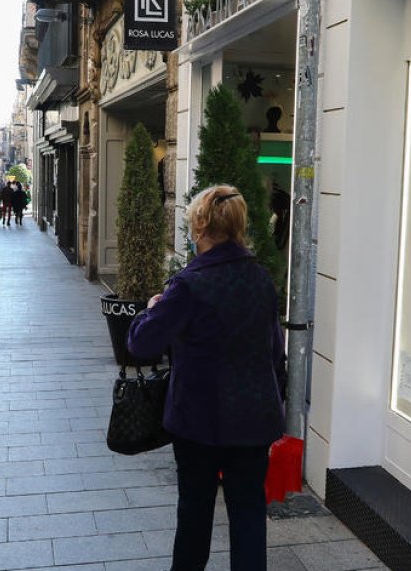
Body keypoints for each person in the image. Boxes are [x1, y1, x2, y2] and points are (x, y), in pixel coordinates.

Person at [127, 184, 285, 571]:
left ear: (199, 227)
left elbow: (141, 344)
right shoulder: (261, 280)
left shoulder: (189, 285)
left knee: (195, 512)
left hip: (199, 419)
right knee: (248, 514)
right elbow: (274, 351)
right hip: (253, 417)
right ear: (239, 226)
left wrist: (150, 310)